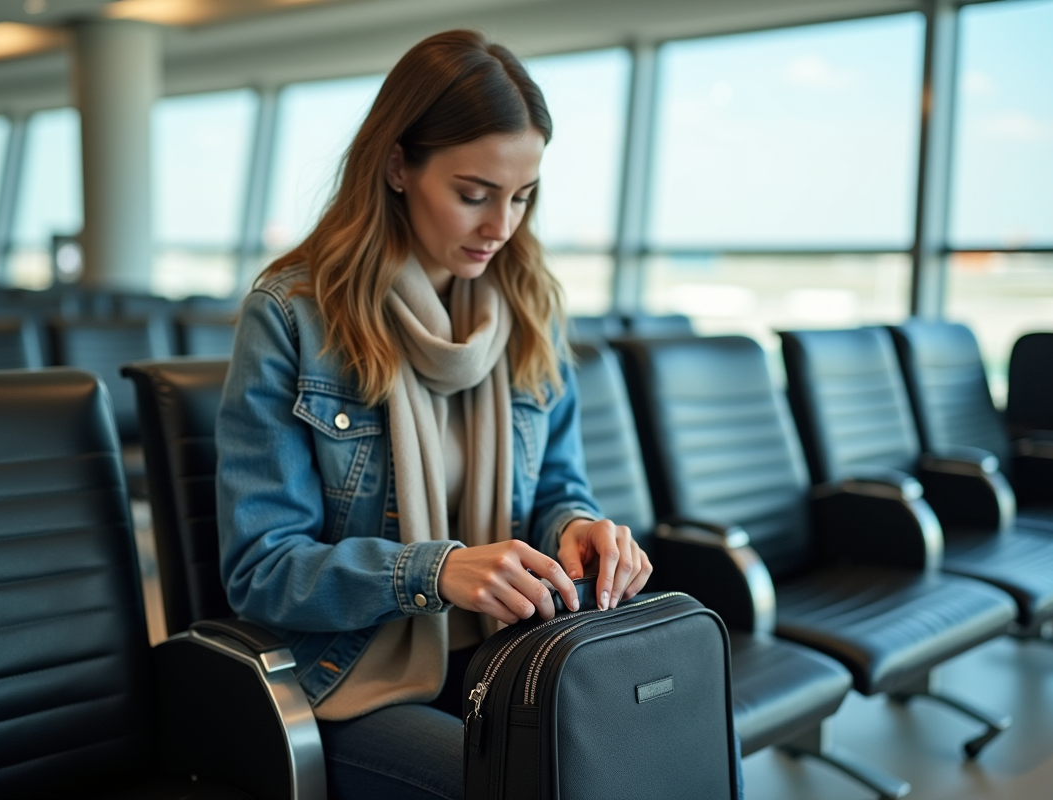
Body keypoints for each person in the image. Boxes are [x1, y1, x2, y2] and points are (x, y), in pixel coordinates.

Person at [217, 29, 739, 800]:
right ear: (397, 165)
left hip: (508, 650)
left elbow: (558, 485)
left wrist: (576, 530)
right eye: (474, 194)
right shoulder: (294, 316)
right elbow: (262, 570)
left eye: (522, 196)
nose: (502, 226)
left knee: (662, 757)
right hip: (357, 672)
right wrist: (435, 572)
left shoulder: (527, 311)